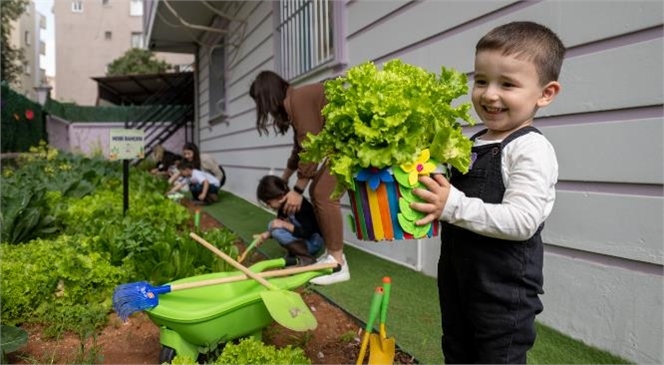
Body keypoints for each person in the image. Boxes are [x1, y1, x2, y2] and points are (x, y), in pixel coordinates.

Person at [410, 21, 564, 364]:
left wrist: (452, 205)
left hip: (503, 293)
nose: (489, 94)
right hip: (458, 279)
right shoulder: (472, 142)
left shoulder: (530, 149)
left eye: (507, 84)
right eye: (481, 81)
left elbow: (522, 221)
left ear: (545, 93)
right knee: (457, 350)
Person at [249, 70, 349, 285]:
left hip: (351, 145)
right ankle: (332, 255)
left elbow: (310, 147)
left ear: (267, 96)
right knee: (318, 191)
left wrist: (296, 190)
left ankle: (338, 262)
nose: (263, 109)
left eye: (260, 102)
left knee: (323, 193)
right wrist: (285, 179)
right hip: (342, 145)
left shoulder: (299, 99)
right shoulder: (295, 102)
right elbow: (299, 150)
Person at [253, 175, 324, 266]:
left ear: (280, 196)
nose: (269, 206)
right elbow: (279, 225)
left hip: (313, 241)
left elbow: (306, 232)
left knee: (277, 231)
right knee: (272, 225)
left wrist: (283, 224)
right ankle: (296, 253)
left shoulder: (301, 206)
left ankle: (307, 258)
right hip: (303, 240)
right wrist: (265, 235)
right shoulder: (282, 207)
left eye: (269, 202)